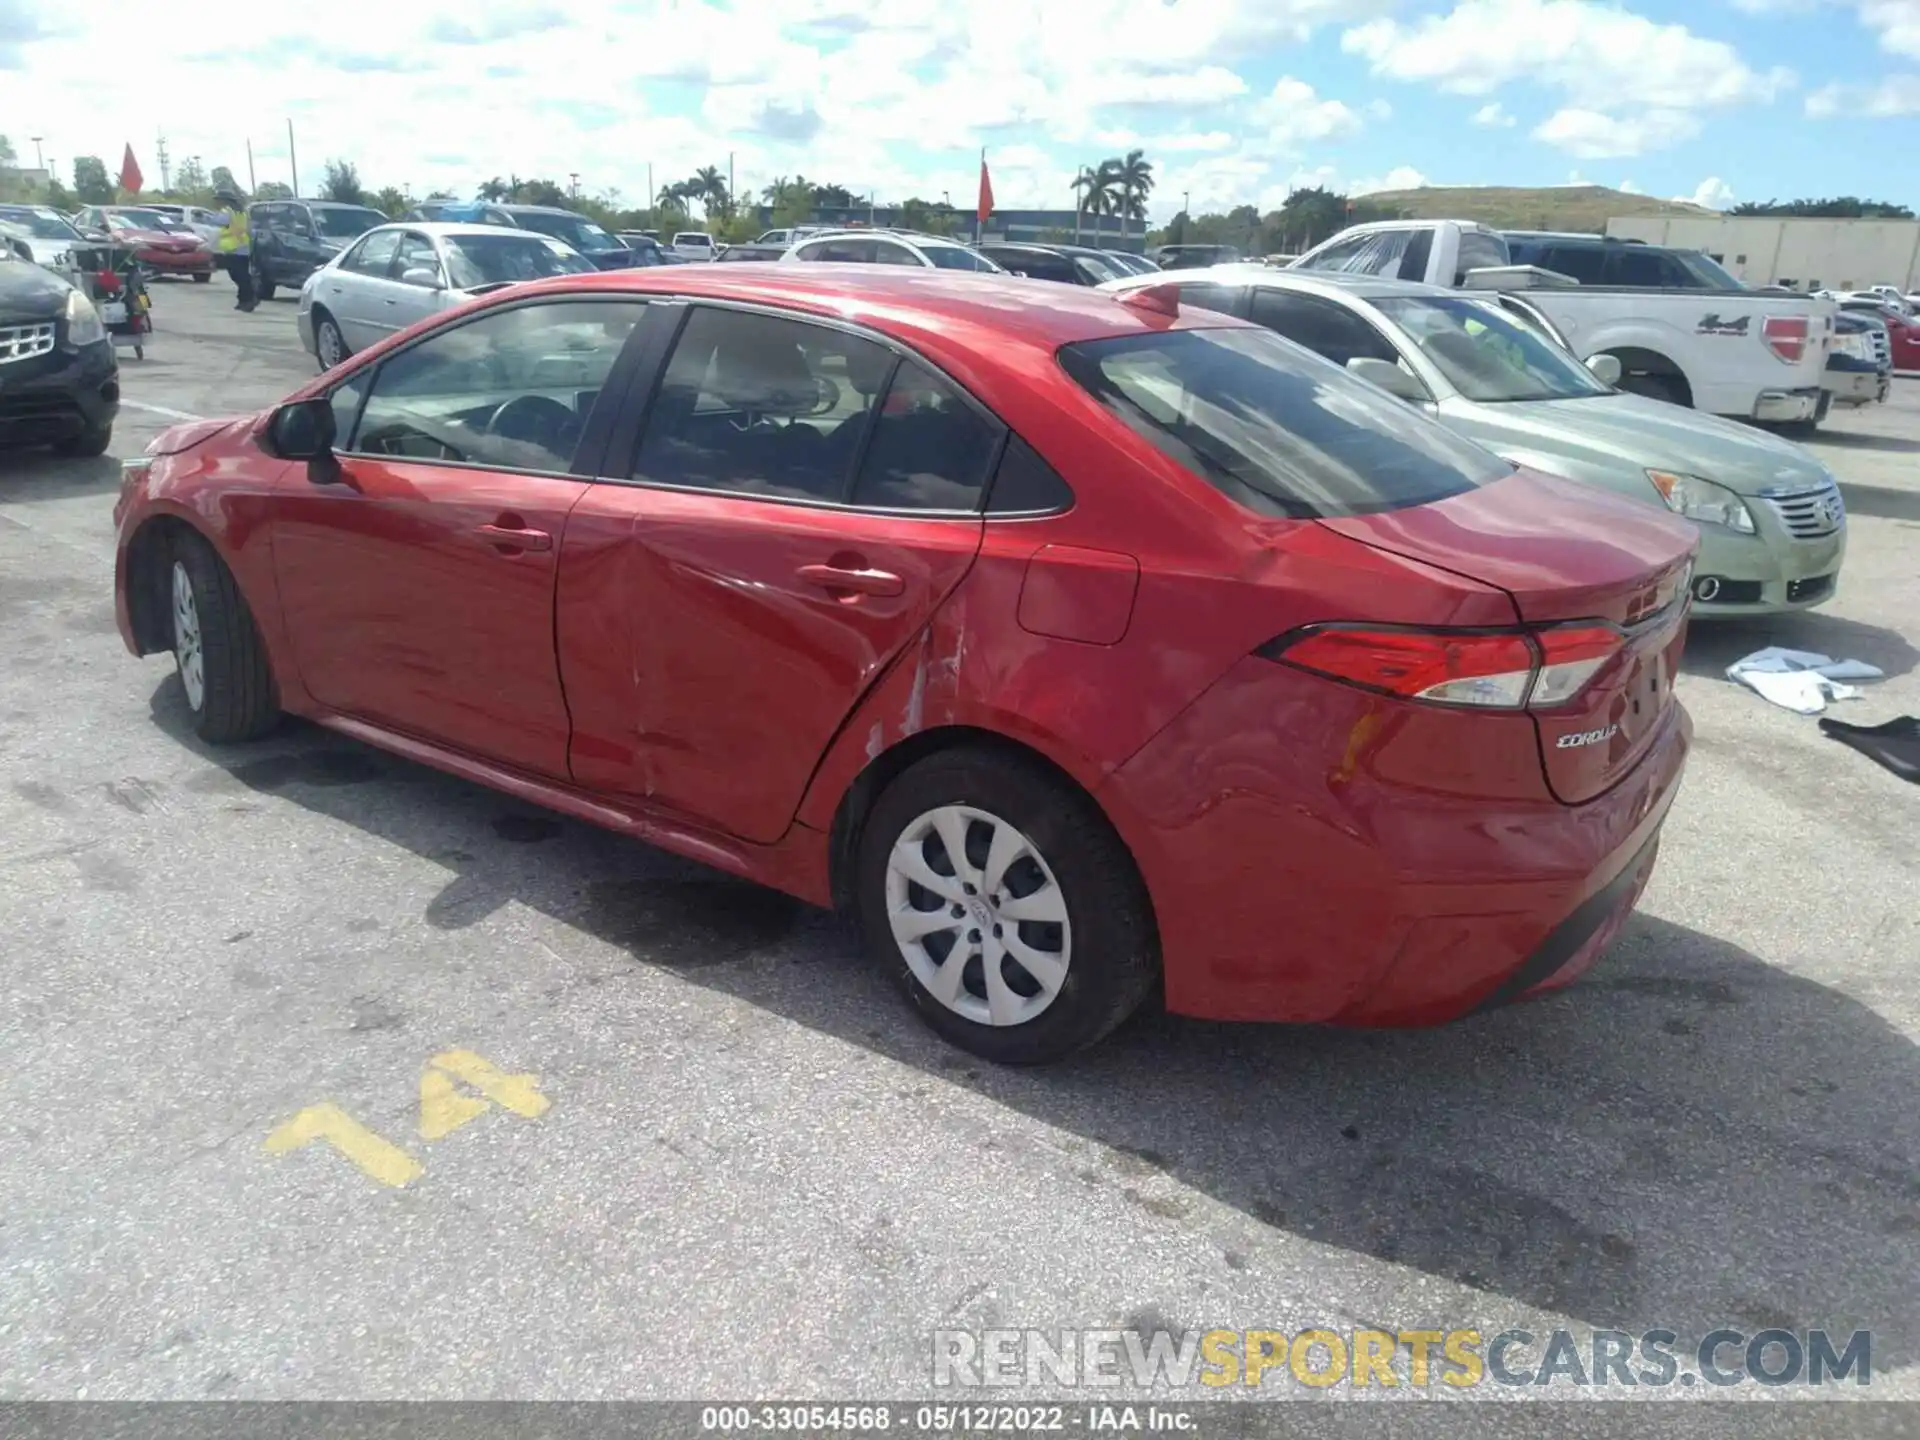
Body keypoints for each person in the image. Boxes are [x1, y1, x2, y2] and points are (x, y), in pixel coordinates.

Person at [212, 189, 255, 312]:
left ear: (224, 201)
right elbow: (249, 229)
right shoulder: (242, 212)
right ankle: (244, 300)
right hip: (243, 246)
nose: (217, 202)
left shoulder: (227, 211)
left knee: (238, 275)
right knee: (242, 275)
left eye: (218, 200)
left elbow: (218, 221)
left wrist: (214, 214)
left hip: (233, 247)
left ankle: (249, 298)